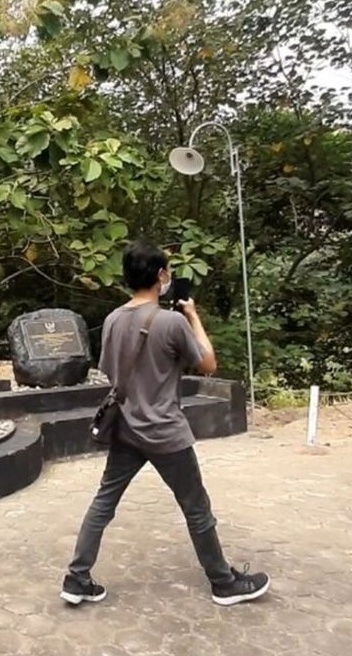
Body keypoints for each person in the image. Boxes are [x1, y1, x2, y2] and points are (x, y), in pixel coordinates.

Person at [61, 242, 270, 607]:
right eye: (167, 271)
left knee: (103, 502)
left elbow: (111, 371)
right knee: (196, 508)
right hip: (166, 433)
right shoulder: (172, 321)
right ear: (161, 276)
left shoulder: (112, 320)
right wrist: (193, 315)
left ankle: (77, 578)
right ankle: (223, 582)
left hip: (126, 428)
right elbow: (208, 365)